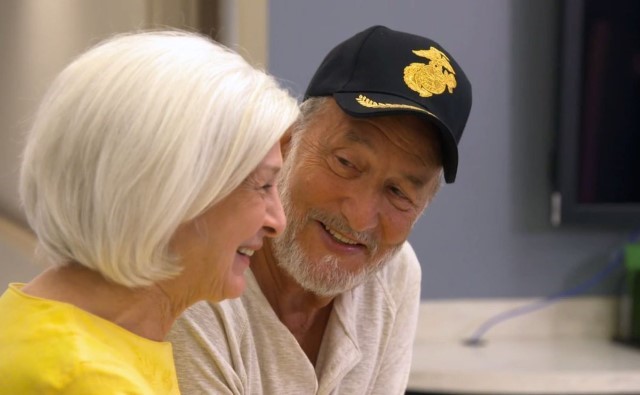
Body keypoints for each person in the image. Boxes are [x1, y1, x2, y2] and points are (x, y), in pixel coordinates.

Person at [169, 25, 473, 394]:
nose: (359, 217)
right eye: (345, 163)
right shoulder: (204, 263)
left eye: (398, 192)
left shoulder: (394, 277)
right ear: (287, 143)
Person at [0, 30, 299, 393]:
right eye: (263, 186)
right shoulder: (87, 380)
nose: (277, 222)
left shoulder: (49, 322)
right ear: (170, 190)